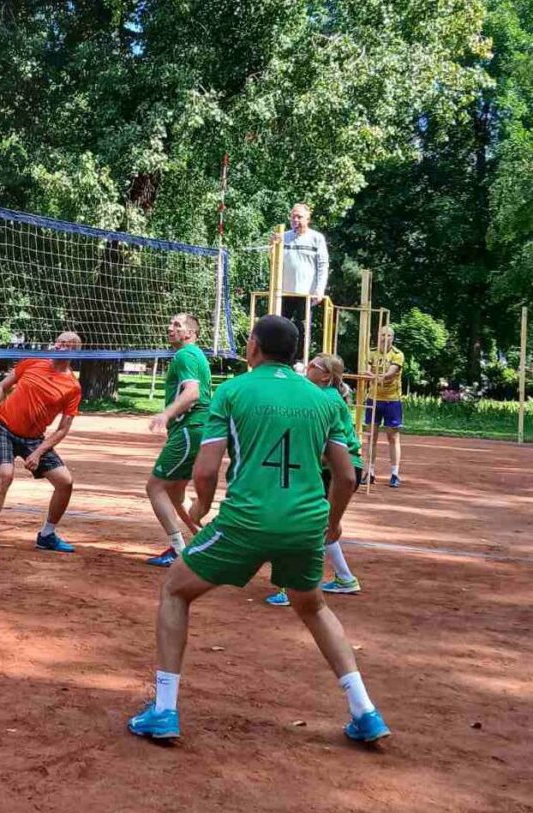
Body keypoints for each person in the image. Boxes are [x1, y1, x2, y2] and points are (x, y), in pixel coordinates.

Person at [127, 316, 390, 744]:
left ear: (254, 346)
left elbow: (206, 469)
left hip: (246, 521)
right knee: (314, 607)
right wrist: (332, 522)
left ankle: (164, 709)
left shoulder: (232, 391)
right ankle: (366, 712)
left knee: (175, 590)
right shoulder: (325, 400)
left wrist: (201, 505)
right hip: (305, 522)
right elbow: (346, 476)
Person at [0, 332, 83, 560]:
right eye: (59, 342)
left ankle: (47, 535)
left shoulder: (73, 387)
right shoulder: (33, 362)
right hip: (3, 427)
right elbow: (1, 386)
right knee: (5, 475)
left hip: (34, 439)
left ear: (75, 352)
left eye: (66, 344)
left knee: (65, 482)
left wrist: (38, 452)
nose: (60, 346)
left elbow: (63, 429)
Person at [267, 353, 365, 606]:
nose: (307, 366)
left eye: (314, 365)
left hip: (337, 468)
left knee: (302, 524)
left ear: (326, 375)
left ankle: (292, 586)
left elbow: (325, 445)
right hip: (342, 467)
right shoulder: (327, 396)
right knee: (321, 525)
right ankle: (344, 578)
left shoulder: (324, 399)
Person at [145, 314, 213, 567]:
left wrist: (166, 414)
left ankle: (177, 549)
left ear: (190, 333)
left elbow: (192, 392)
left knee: (155, 487)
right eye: (170, 324)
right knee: (175, 491)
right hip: (196, 429)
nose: (170, 328)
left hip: (189, 428)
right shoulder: (195, 355)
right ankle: (204, 542)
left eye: (177, 325)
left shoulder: (185, 354)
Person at [270, 203, 329, 361]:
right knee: (280, 326)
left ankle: (300, 360)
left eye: (299, 217)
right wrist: (272, 246)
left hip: (306, 293)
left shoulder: (316, 238)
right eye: (293, 217)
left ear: (308, 219)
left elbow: (323, 265)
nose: (295, 220)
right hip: (283, 291)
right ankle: (278, 359)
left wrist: (320, 290)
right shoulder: (283, 236)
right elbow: (273, 261)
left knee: (302, 327)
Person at [365, 325, 405, 487]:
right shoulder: (372, 353)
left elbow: (390, 373)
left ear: (392, 338)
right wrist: (374, 375)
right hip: (373, 398)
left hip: (392, 399)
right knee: (371, 436)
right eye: (382, 335)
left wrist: (375, 376)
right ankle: (370, 472)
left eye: (388, 335)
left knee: (393, 437)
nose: (385, 338)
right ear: (378, 336)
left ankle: (395, 473)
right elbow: (366, 370)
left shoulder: (397, 354)